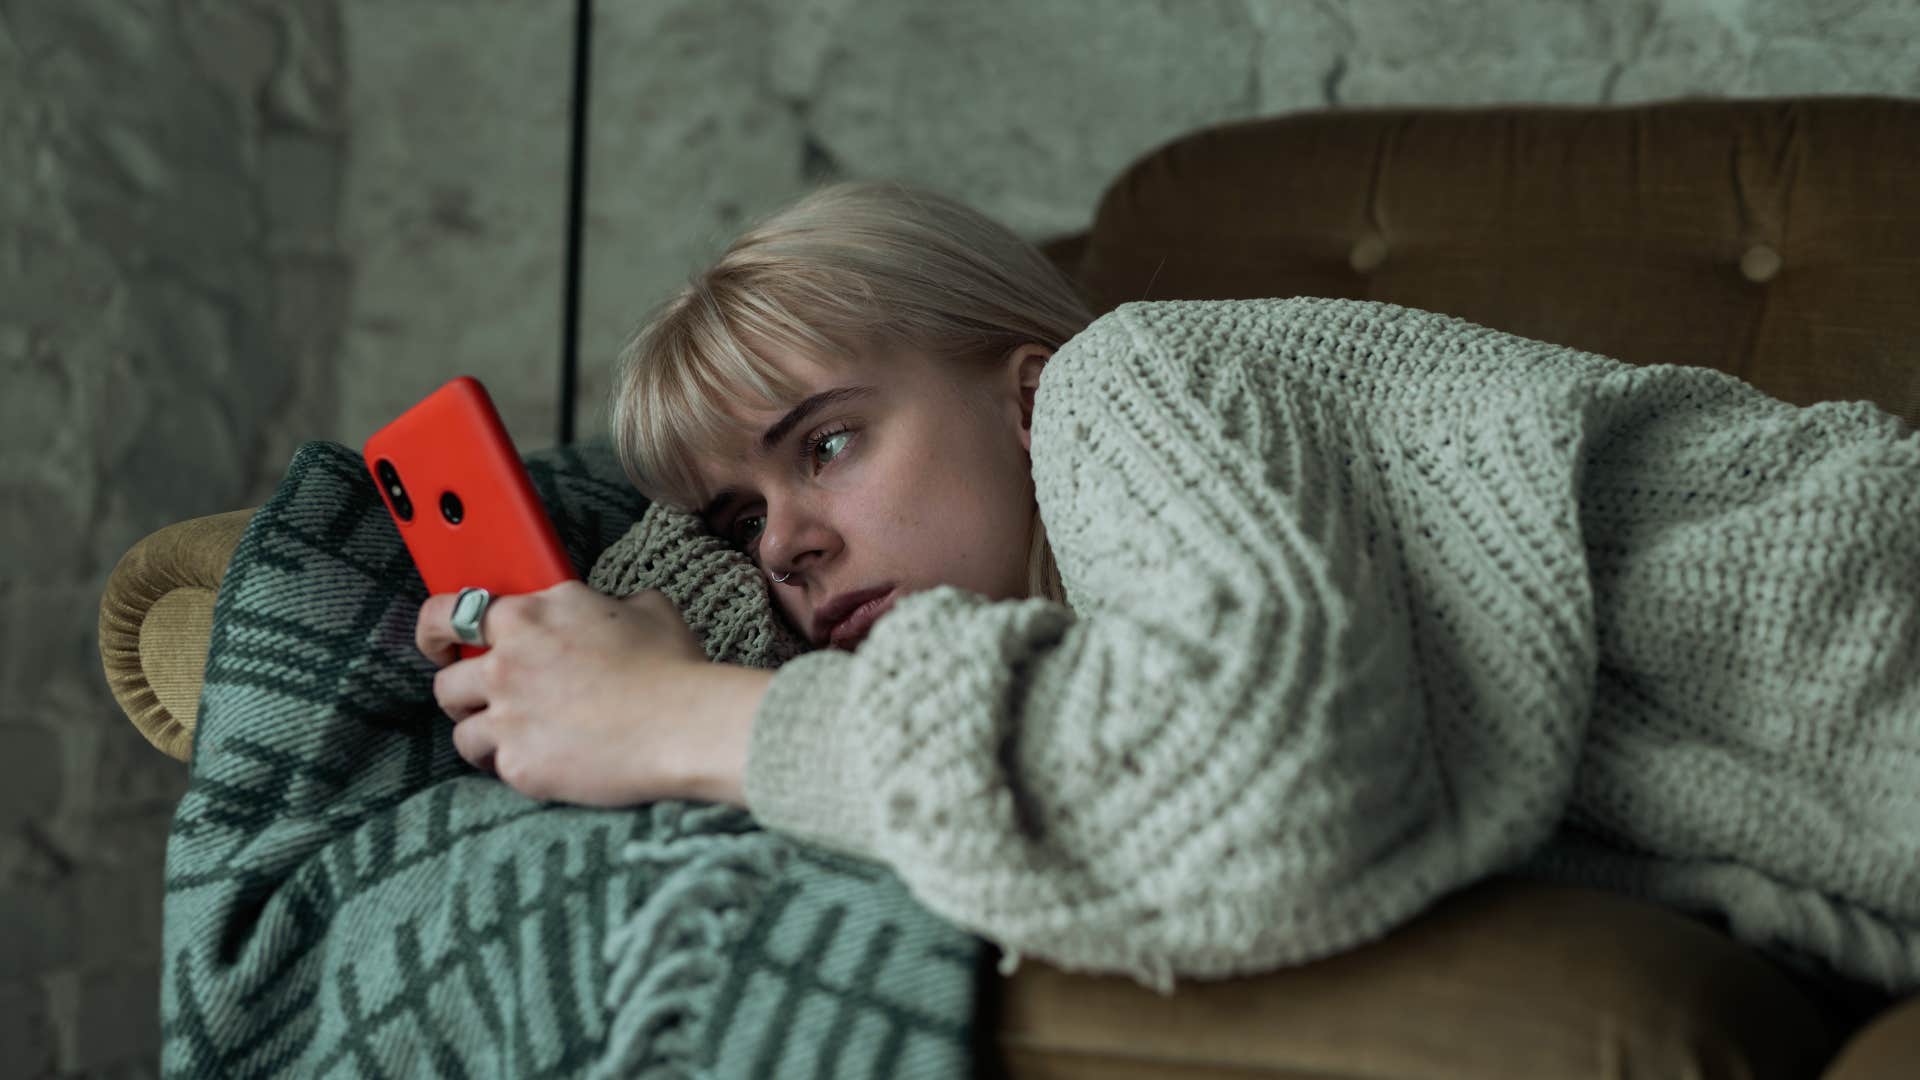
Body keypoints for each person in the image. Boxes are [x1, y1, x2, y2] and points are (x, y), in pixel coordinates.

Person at [415, 179, 1920, 1000]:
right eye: (741, 518)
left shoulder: (1135, 378)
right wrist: (584, 626)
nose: (786, 546)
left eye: (829, 443)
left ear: (1023, 391)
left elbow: (1263, 790)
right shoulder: (1063, 638)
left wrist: (688, 716)